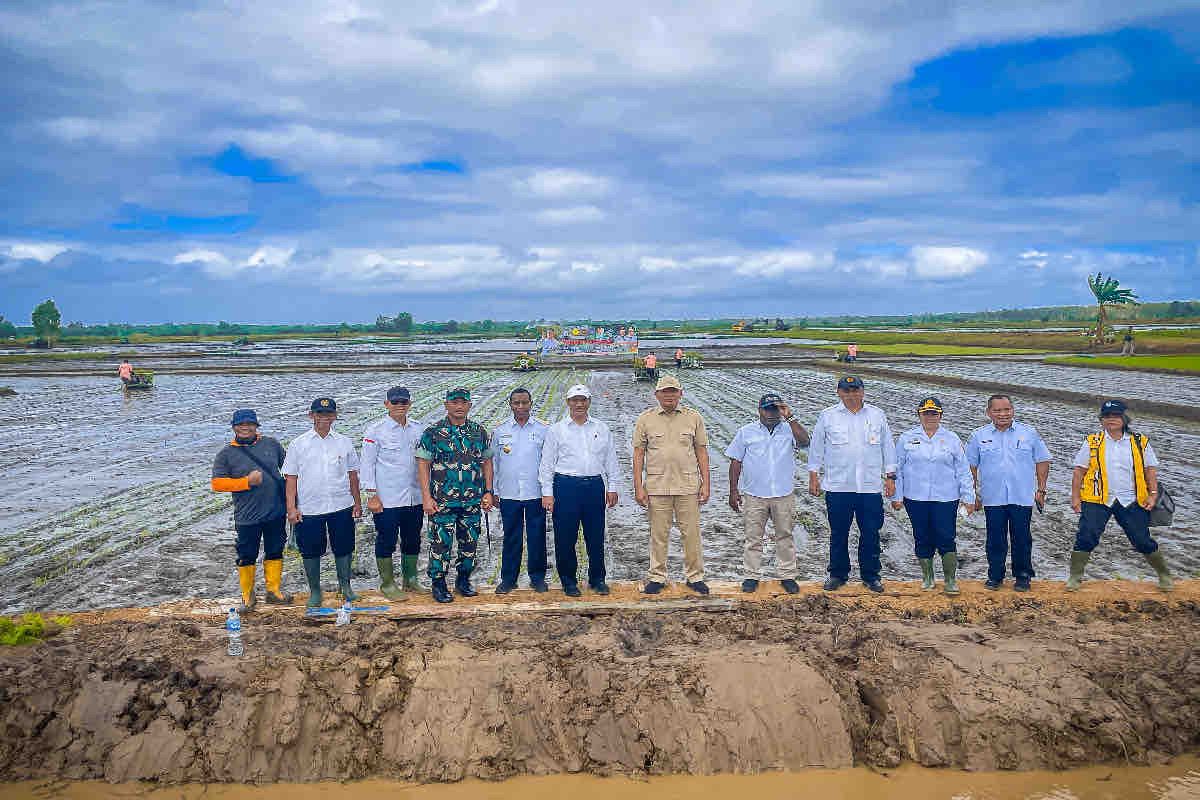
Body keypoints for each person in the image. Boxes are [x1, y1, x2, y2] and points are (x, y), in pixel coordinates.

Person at [1067, 399, 1172, 592]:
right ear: (1101, 420)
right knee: (1086, 535)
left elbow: (1150, 470)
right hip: (1097, 498)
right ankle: (1075, 578)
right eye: (1106, 416)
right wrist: (1075, 497)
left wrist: (1153, 494)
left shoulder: (1140, 442)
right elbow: (1079, 471)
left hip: (1131, 499)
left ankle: (1164, 575)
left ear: (1124, 418)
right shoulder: (1092, 441)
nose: (1110, 420)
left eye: (1115, 416)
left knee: (1141, 539)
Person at [807, 375, 895, 593]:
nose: (851, 395)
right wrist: (813, 475)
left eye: (855, 390)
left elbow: (888, 447)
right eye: (846, 391)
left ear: (863, 392)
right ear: (839, 393)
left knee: (871, 533)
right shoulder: (828, 416)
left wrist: (890, 477)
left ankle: (871, 575)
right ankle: (837, 574)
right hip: (838, 486)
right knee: (838, 533)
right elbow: (816, 448)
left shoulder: (877, 415)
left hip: (869, 487)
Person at [538, 383, 619, 596]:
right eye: (575, 400)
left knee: (595, 537)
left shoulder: (601, 428)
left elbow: (611, 460)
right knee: (565, 538)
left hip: (594, 486)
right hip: (565, 487)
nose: (579, 404)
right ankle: (568, 581)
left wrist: (613, 487)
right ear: (568, 403)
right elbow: (546, 464)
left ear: (589, 402)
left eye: (583, 400)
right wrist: (548, 493)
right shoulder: (556, 430)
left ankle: (597, 579)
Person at [633, 374, 711, 595]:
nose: (669, 395)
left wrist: (706, 483)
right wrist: (639, 486)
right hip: (657, 486)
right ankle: (657, 576)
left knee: (691, 533)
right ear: (657, 394)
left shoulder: (693, 418)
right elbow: (638, 454)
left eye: (673, 391)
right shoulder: (645, 419)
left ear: (680, 394)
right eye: (664, 392)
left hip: (688, 485)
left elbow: (701, 451)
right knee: (658, 534)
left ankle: (695, 576)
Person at [726, 393, 810, 594]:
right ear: (759, 410)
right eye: (767, 409)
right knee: (753, 537)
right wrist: (733, 491)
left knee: (785, 536)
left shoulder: (790, 430)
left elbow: (805, 442)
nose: (771, 413)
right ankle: (751, 575)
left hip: (783, 494)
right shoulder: (746, 432)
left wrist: (790, 418)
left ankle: (787, 575)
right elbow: (736, 461)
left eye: (775, 409)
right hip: (754, 494)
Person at [889, 397, 975, 596]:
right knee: (922, 537)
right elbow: (897, 470)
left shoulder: (952, 439)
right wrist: (897, 496)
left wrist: (968, 497)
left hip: (945, 497)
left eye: (934, 413)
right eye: (925, 413)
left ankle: (950, 580)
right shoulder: (907, 438)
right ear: (919, 415)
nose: (930, 417)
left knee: (946, 536)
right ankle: (927, 577)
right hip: (915, 497)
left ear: (940, 415)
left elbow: (963, 470)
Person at [966, 395, 1051, 592]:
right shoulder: (979, 436)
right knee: (995, 538)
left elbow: (1042, 460)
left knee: (1021, 537)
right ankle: (995, 576)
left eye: (1006, 410)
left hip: (1021, 496)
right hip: (992, 497)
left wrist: (1041, 489)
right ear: (989, 413)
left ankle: (1022, 576)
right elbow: (970, 466)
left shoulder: (1029, 433)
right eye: (997, 410)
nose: (1003, 414)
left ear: (1013, 410)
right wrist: (972, 493)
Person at [283, 397, 362, 610]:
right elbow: (291, 478)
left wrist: (357, 502)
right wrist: (291, 508)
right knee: (310, 549)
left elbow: (353, 475)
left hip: (341, 504)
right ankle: (315, 591)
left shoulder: (344, 442)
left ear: (335, 416)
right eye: (319, 414)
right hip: (310, 507)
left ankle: (345, 587)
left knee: (344, 546)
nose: (324, 418)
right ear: (311, 416)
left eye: (328, 414)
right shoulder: (298, 444)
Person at [416, 387, 494, 603]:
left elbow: (487, 462)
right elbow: (423, 464)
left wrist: (488, 491)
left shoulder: (479, 432)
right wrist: (426, 496)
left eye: (463, 403)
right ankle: (439, 584)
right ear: (446, 405)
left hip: (471, 500)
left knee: (469, 543)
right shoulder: (433, 433)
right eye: (454, 402)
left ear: (469, 405)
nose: (459, 407)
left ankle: (463, 580)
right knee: (440, 544)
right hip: (442, 501)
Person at [211, 409, 292, 611]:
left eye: (249, 424)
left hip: (275, 511)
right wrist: (246, 482)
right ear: (233, 427)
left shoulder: (271, 445)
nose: (245, 428)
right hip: (247, 515)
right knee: (246, 554)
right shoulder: (226, 454)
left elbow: (291, 469)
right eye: (240, 424)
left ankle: (273, 591)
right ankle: (247, 595)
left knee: (275, 549)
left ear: (256, 426)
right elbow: (217, 484)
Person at [361, 386, 425, 600]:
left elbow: (424, 463)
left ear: (410, 404)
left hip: (414, 496)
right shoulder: (376, 431)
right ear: (386, 404)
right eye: (395, 402)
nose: (399, 406)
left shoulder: (418, 429)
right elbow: (367, 465)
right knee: (386, 539)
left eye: (403, 403)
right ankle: (387, 584)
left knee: (412, 538)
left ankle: (410, 579)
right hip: (387, 498)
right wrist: (371, 495)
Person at [492, 388, 550, 593]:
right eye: (516, 403)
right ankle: (508, 579)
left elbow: (548, 463)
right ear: (510, 405)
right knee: (511, 536)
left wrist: (548, 491)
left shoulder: (543, 430)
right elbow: (495, 464)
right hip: (509, 494)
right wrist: (493, 491)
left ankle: (537, 577)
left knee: (537, 536)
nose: (521, 407)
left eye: (524, 403)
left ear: (531, 403)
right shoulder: (500, 431)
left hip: (535, 493)